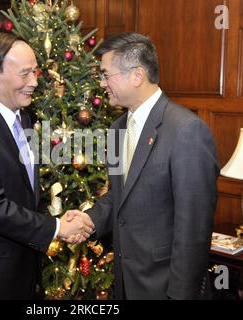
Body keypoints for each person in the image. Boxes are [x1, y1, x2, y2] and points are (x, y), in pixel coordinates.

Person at [0, 32, 94, 300]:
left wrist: (59, 219)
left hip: (20, 263)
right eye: (25, 74)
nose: (34, 82)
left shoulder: (22, 118)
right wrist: (57, 228)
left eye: (34, 72)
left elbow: (21, 189)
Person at [80, 32, 219, 299]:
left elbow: (193, 230)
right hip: (126, 282)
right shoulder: (117, 127)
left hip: (165, 286)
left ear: (136, 76)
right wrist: (89, 219)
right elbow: (119, 196)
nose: (101, 83)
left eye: (105, 74)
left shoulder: (187, 131)